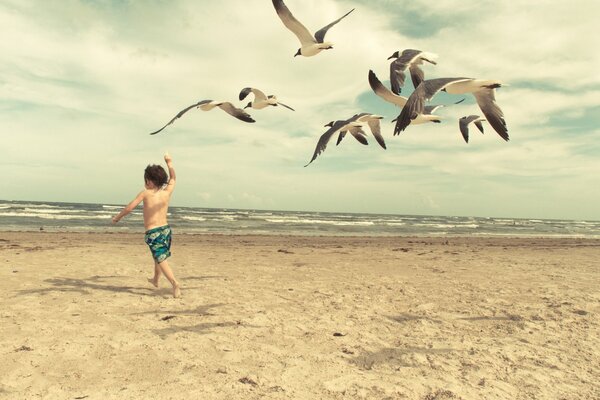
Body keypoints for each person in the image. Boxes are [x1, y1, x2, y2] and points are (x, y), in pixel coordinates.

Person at [112, 153, 181, 298]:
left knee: (161, 258)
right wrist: (169, 163)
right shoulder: (166, 192)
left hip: (153, 232)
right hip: (166, 230)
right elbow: (173, 178)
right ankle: (155, 279)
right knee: (158, 257)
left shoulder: (145, 193)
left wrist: (118, 217)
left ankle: (175, 283)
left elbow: (130, 207)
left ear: (149, 181)